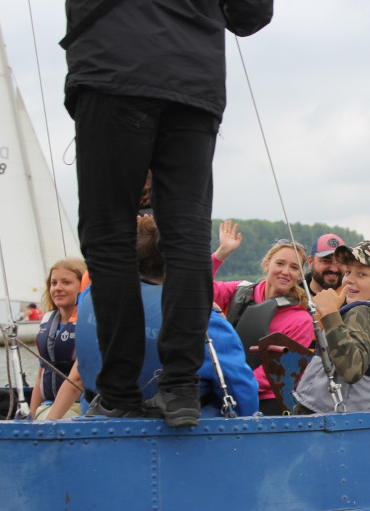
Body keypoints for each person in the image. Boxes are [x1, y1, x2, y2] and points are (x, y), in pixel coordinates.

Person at [63, 0, 274, 425]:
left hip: (113, 68)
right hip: (194, 80)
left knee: (108, 231)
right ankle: (180, 386)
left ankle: (119, 389)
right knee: (188, 233)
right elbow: (252, 14)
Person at [77, 216, 260, 420]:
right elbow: (242, 393)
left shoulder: (90, 296)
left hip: (97, 422)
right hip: (175, 439)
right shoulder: (204, 321)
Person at [293, 241, 370, 414]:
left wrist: (330, 313)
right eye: (347, 272)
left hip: (328, 420)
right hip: (362, 419)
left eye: (362, 274)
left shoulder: (362, 311)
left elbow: (351, 370)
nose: (349, 280)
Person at [213, 239, 316, 416]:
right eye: (280, 263)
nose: (285, 272)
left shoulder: (301, 320)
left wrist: (232, 384)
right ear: (267, 264)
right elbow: (195, 288)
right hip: (224, 386)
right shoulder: (240, 292)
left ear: (300, 275)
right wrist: (220, 254)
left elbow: (274, 372)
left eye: (294, 267)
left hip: (266, 399)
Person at [29, 258, 88, 419]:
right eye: (54, 283)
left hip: (78, 407)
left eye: (66, 283)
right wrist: (31, 416)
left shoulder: (88, 323)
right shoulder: (48, 324)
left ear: (82, 287)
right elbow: (40, 377)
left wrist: (48, 424)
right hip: (47, 406)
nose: (58, 288)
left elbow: (78, 379)